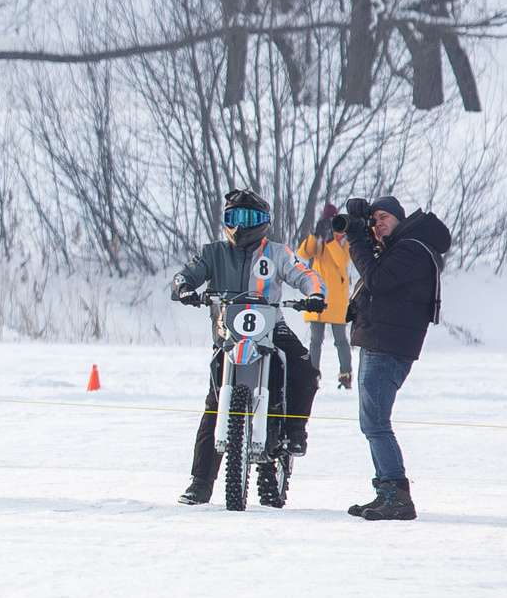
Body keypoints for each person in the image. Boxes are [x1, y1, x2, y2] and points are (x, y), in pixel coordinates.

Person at [169, 188, 324, 505]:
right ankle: (200, 483)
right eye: (234, 217)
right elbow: (188, 273)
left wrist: (314, 294)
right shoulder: (213, 252)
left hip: (271, 327)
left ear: (263, 221)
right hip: (229, 334)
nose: (240, 225)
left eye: (249, 217)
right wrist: (183, 287)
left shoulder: (277, 253)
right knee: (214, 405)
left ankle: (296, 431)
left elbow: (304, 274)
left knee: (305, 369)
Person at [344, 193, 455, 521]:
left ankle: (397, 496)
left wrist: (356, 240)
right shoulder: (403, 247)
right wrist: (366, 235)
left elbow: (376, 280)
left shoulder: (411, 249)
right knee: (372, 423)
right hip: (382, 342)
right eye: (374, 220)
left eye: (384, 218)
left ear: (400, 219)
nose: (378, 225)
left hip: (387, 346)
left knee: (376, 423)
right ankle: (386, 492)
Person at [294, 203, 354, 389]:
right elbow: (303, 253)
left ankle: (345, 374)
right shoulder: (319, 240)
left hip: (336, 298)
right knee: (315, 340)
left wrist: (330, 239)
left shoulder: (343, 240)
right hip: (318, 294)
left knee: (341, 340)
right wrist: (315, 235)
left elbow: (342, 261)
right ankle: (312, 374)